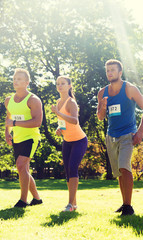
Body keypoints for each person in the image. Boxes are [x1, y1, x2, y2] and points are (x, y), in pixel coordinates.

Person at [97, 59, 143, 216]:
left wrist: (140, 131)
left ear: (120, 73)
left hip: (128, 134)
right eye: (108, 70)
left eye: (113, 70)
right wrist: (103, 107)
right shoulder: (102, 92)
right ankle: (125, 203)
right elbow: (100, 117)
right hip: (111, 135)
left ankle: (128, 207)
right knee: (119, 172)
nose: (110, 73)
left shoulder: (129, 89)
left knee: (124, 167)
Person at [4, 68, 43, 208]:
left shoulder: (33, 100)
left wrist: (14, 123)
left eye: (19, 79)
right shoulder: (9, 100)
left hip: (30, 138)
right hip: (17, 138)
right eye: (14, 78)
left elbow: (37, 122)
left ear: (27, 82)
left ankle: (23, 200)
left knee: (21, 166)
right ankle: (37, 199)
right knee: (23, 169)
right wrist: (7, 133)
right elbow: (8, 117)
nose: (16, 81)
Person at [51, 76, 88, 212]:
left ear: (69, 86)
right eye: (58, 84)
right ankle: (74, 204)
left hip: (79, 141)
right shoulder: (58, 102)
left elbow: (74, 121)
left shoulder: (71, 102)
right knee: (67, 171)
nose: (60, 86)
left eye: (63, 83)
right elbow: (64, 122)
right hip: (67, 141)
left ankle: (70, 204)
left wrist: (58, 112)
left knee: (73, 168)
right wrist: (59, 129)